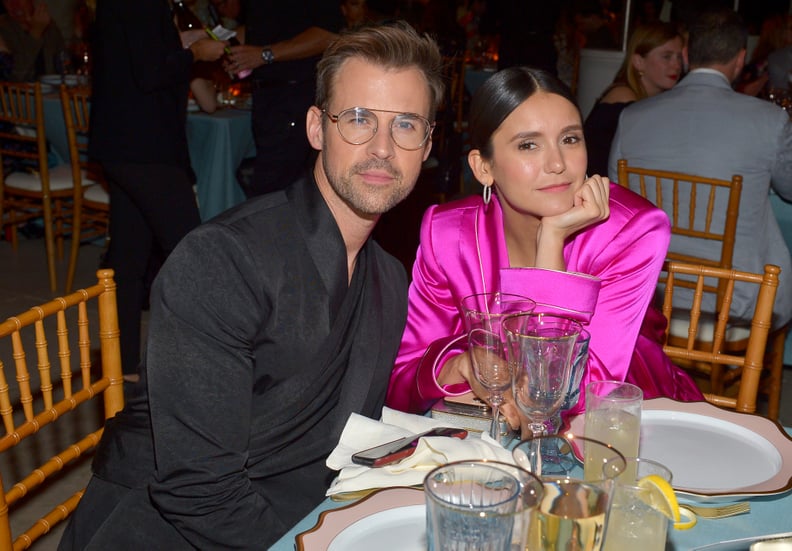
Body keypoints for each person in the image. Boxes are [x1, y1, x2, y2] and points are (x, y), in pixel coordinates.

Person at [58, 22, 444, 549]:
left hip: (294, 514)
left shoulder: (387, 278)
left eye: (405, 124)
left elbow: (347, 436)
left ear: (426, 144)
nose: (382, 147)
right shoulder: (222, 261)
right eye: (357, 118)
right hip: (163, 529)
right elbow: (197, 491)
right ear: (316, 128)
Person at [386, 66, 703, 430]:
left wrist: (551, 241)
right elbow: (401, 381)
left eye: (570, 139)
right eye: (528, 145)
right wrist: (459, 365)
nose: (557, 164)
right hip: (498, 435)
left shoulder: (631, 230)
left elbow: (559, 398)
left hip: (627, 428)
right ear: (483, 167)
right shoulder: (448, 234)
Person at [609, 8, 792, 328]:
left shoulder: (632, 117)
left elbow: (617, 202)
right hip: (734, 303)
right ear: (740, 59)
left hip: (648, 293)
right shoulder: (771, 120)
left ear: (685, 54)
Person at [87, 0, 227, 377]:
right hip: (144, 147)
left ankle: (124, 372)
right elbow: (150, 72)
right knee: (193, 255)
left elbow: (137, 53)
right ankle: (204, 368)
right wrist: (194, 52)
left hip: (123, 144)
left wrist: (182, 41)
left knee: (128, 263)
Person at [224, 2, 343, 198]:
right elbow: (267, 26)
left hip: (294, 95)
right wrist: (231, 47)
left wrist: (264, 54)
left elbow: (328, 33)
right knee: (276, 188)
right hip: (268, 98)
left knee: (272, 191)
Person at [584, 21, 684, 176]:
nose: (676, 65)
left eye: (679, 57)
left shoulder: (651, 100)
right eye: (667, 57)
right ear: (638, 62)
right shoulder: (623, 98)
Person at [0, 0, 64, 82]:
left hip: (52, 93)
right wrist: (35, 34)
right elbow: (14, 77)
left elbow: (65, 66)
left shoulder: (48, 25)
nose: (14, 4)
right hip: (19, 94)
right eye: (7, 0)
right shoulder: (3, 29)